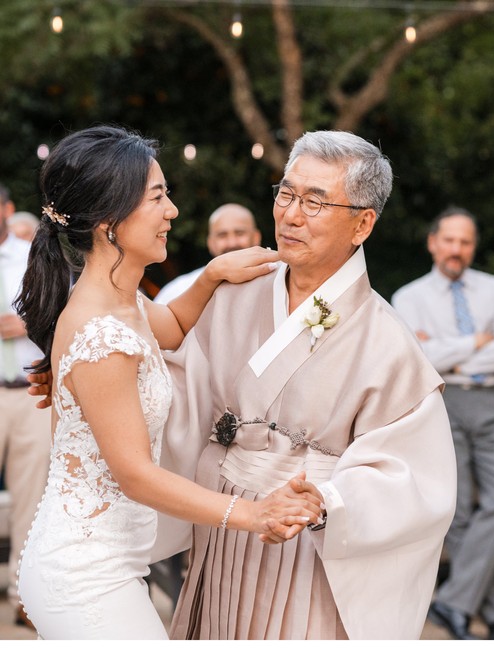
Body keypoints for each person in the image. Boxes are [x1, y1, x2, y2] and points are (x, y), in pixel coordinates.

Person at [14, 125, 321, 639]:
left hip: (110, 565)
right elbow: (135, 474)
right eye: (158, 197)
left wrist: (212, 274)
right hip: (84, 575)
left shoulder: (121, 301)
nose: (172, 212)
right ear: (110, 220)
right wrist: (254, 514)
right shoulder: (102, 334)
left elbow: (174, 329)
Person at [155, 130, 457, 639]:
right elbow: (177, 397)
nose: (291, 215)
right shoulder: (234, 296)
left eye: (316, 202)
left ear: (363, 224)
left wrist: (327, 504)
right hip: (225, 522)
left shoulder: (386, 340)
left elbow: (413, 478)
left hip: (305, 545)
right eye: (287, 193)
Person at [392, 207, 494, 640]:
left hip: (490, 400)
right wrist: (475, 341)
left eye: (465, 242)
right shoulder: (408, 299)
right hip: (439, 402)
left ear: (473, 246)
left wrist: (444, 348)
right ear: (433, 242)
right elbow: (418, 359)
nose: (456, 249)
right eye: (449, 240)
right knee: (458, 509)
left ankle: (453, 603)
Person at [0, 183, 50, 629]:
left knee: (31, 497)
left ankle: (23, 596)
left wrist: (29, 323)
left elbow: (60, 312)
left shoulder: (32, 255)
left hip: (28, 389)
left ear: (7, 209)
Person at [154, 203, 262, 304]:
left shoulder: (275, 280)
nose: (231, 243)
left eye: (239, 233)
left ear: (256, 237)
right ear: (210, 243)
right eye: (222, 235)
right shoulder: (179, 290)